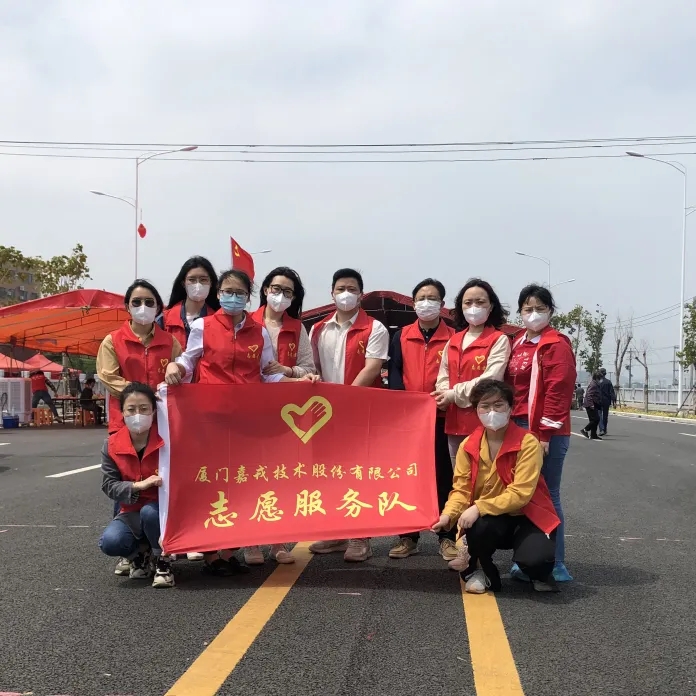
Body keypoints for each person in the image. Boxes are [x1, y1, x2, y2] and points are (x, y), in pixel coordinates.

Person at [164, 268, 318, 576]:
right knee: (212, 483)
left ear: (248, 297)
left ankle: (230, 549)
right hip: (210, 421)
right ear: (219, 293)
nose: (233, 297)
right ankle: (211, 555)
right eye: (228, 292)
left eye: (239, 293)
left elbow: (267, 374)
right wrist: (174, 366)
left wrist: (299, 383)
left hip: (248, 422)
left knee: (242, 484)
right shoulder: (203, 326)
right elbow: (189, 361)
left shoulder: (258, 332)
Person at [431, 379, 560, 594]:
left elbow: (521, 493)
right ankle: (479, 570)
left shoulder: (528, 443)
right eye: (485, 406)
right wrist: (447, 516)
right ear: (476, 410)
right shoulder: (468, 446)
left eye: (498, 405)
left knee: (536, 560)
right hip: (492, 519)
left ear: (510, 408)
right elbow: (461, 489)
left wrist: (479, 507)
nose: (492, 411)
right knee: (476, 525)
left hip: (526, 516)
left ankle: (540, 572)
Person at [307, 268, 389, 563]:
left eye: (352, 289)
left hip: (360, 413)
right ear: (332, 293)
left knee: (359, 473)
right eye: (341, 288)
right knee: (330, 473)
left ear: (361, 294)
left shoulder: (375, 328)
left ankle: (360, 537)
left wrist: (344, 401)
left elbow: (372, 368)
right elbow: (313, 368)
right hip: (324, 415)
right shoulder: (318, 329)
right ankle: (336, 532)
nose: (346, 294)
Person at [243, 266, 317, 566]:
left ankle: (278, 540)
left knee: (280, 475)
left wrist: (287, 370)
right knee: (250, 475)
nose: (281, 295)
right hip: (250, 410)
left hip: (286, 415)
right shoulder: (246, 322)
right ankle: (249, 541)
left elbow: (309, 368)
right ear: (265, 290)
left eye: (288, 292)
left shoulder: (297, 328)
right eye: (276, 289)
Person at [505, 284, 576, 583]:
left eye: (539, 308)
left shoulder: (555, 344)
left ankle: (555, 562)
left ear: (550, 311)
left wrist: (544, 434)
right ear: (520, 312)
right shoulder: (517, 343)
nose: (533, 314)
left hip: (545, 430)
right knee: (523, 493)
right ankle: (527, 559)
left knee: (548, 493)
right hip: (516, 426)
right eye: (527, 309)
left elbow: (559, 391)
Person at [387, 278, 458, 563]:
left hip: (443, 418)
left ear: (442, 304)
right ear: (413, 303)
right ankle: (408, 537)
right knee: (409, 477)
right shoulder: (401, 335)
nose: (426, 303)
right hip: (410, 422)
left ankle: (447, 537)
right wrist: (404, 404)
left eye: (432, 298)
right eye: (421, 298)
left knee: (444, 476)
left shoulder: (455, 337)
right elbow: (394, 372)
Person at [98, 382, 174, 589]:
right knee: (110, 542)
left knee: (150, 513)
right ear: (122, 413)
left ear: (154, 411)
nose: (137, 415)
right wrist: (138, 485)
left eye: (144, 409)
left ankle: (163, 559)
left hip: (162, 510)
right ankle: (139, 554)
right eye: (131, 409)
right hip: (131, 511)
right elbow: (109, 485)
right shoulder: (111, 445)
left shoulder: (168, 440)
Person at [432, 278, 511, 466]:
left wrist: (453, 394)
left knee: (485, 476)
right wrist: (443, 393)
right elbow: (443, 374)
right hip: (454, 423)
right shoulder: (453, 340)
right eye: (468, 302)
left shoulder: (499, 340)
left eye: (480, 302)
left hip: (485, 421)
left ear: (491, 306)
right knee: (459, 475)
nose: (473, 307)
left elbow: (491, 378)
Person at [97, 279, 181, 433]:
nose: (143, 306)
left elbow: (181, 376)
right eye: (136, 302)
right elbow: (109, 378)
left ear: (157, 308)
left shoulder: (171, 342)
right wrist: (144, 397)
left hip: (161, 419)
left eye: (149, 302)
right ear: (127, 307)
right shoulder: (112, 341)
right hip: (125, 419)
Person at [159, 256, 220, 350]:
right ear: (183, 283)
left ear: (211, 283)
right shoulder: (164, 320)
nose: (198, 285)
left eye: (203, 279)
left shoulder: (218, 320)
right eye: (192, 279)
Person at [581, 371, 603, 440]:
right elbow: (589, 395)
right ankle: (585, 429)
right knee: (596, 419)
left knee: (593, 420)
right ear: (597, 378)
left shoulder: (595, 384)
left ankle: (593, 435)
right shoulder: (593, 384)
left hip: (593, 404)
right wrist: (591, 405)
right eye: (600, 378)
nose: (601, 380)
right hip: (590, 404)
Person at [598, 367, 616, 436]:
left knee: (599, 415)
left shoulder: (597, 382)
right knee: (605, 416)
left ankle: (601, 429)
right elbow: (612, 393)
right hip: (606, 401)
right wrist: (614, 402)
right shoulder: (608, 382)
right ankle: (605, 429)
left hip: (599, 401)